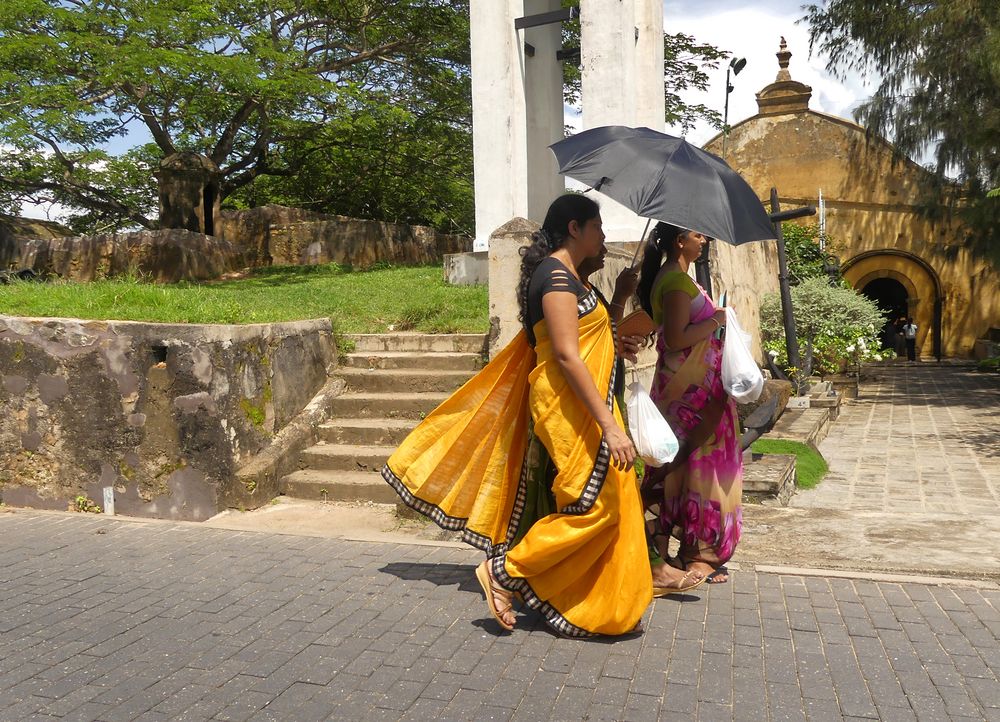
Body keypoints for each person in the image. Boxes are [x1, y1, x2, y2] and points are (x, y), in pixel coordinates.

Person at [382, 194, 653, 637]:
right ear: (574, 228)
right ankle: (504, 570)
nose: (603, 236)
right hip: (569, 409)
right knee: (596, 505)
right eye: (598, 226)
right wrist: (608, 424)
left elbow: (592, 340)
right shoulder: (555, 277)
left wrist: (619, 304)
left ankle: (591, 596)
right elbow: (566, 355)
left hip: (589, 405)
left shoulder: (576, 280)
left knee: (612, 500)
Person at [636, 222, 743, 585]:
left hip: (689, 388)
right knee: (694, 465)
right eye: (699, 235)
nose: (705, 239)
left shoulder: (680, 278)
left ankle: (677, 549)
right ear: (681, 241)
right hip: (688, 394)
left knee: (684, 466)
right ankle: (696, 554)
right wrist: (716, 318)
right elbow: (677, 337)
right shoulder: (676, 283)